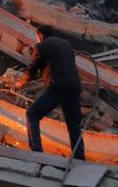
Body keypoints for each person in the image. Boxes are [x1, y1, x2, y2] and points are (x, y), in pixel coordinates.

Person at [16, 25, 87, 160]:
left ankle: (36, 152)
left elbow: (32, 68)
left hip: (58, 87)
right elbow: (56, 64)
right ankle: (79, 158)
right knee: (74, 126)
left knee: (32, 114)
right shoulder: (66, 44)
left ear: (40, 35)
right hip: (74, 87)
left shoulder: (42, 46)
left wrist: (21, 82)